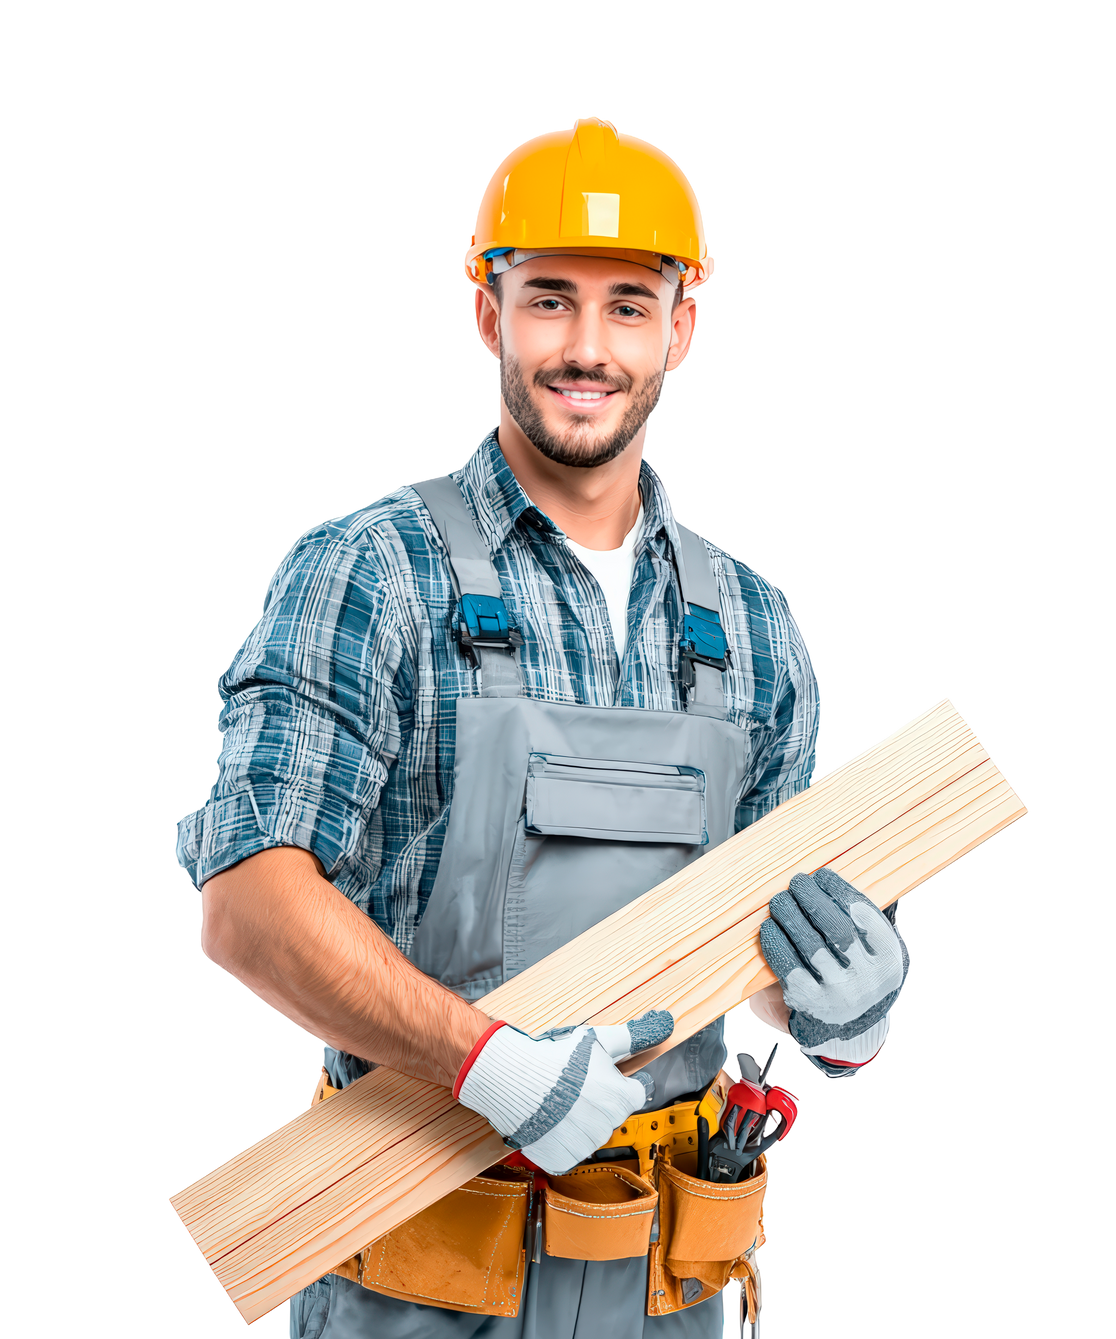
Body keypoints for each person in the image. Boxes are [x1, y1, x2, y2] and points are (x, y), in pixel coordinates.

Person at [175, 115, 911, 1339]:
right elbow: (246, 904)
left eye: (629, 305)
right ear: (488, 316)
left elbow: (762, 971)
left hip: (676, 1294)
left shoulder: (755, 626)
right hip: (415, 1291)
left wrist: (846, 1022)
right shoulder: (372, 573)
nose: (586, 348)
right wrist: (482, 1063)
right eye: (549, 299)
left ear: (681, 328)